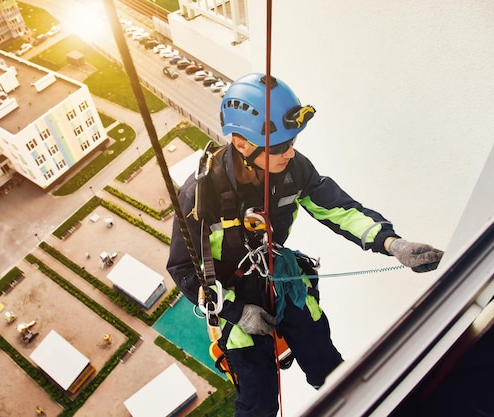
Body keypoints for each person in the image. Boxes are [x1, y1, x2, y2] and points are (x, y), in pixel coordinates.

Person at [166, 73, 443, 417]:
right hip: (234, 300)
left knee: (333, 372)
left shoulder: (292, 171)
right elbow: (182, 269)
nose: (290, 152)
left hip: (282, 281)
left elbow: (338, 208)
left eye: (292, 141)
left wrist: (392, 243)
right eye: (280, 147)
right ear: (242, 144)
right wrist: (236, 313)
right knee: (258, 404)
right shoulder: (200, 194)